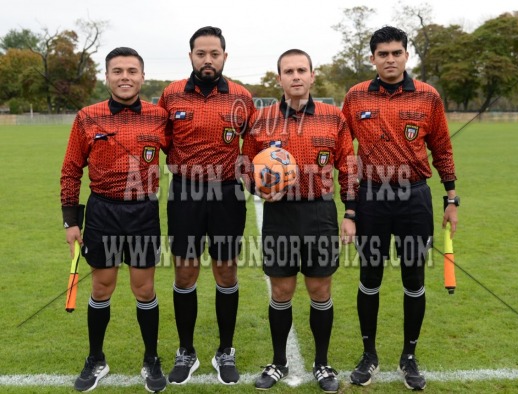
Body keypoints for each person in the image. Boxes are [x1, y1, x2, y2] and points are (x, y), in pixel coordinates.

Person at [342, 26, 459, 391]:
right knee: (370, 277)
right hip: (372, 198)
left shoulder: (428, 96)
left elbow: (442, 147)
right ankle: (369, 355)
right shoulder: (356, 96)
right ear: (373, 58)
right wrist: (349, 207)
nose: (390, 59)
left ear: (407, 55)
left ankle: (409, 356)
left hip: (414, 198)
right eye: (383, 54)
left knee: (413, 279)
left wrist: (451, 197)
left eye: (396, 53)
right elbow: (345, 153)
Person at [242, 49, 358, 393]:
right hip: (279, 215)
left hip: (320, 212)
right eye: (288, 71)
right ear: (279, 78)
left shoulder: (333, 117)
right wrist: (260, 189)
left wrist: (350, 213)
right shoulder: (261, 120)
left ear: (312, 75)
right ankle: (278, 362)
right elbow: (245, 167)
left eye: (301, 70)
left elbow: (348, 168)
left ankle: (322, 363)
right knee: (281, 290)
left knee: (320, 289)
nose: (295, 76)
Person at [60, 47, 169, 393]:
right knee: (101, 287)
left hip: (143, 212)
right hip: (102, 212)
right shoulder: (87, 117)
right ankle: (96, 358)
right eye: (118, 71)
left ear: (142, 76)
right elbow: (71, 169)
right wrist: (70, 219)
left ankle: (151, 358)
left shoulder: (158, 116)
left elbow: (185, 155)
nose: (125, 77)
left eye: (132, 71)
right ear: (106, 76)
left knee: (144, 289)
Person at [157, 26, 255, 385]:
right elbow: (160, 140)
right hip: (185, 193)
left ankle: (225, 350)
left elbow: (255, 145)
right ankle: (186, 351)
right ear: (191, 57)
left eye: (215, 53)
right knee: (184, 272)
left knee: (226, 271)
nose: (208, 59)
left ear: (225, 57)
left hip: (228, 193)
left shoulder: (242, 97)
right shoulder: (170, 95)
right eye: (201, 53)